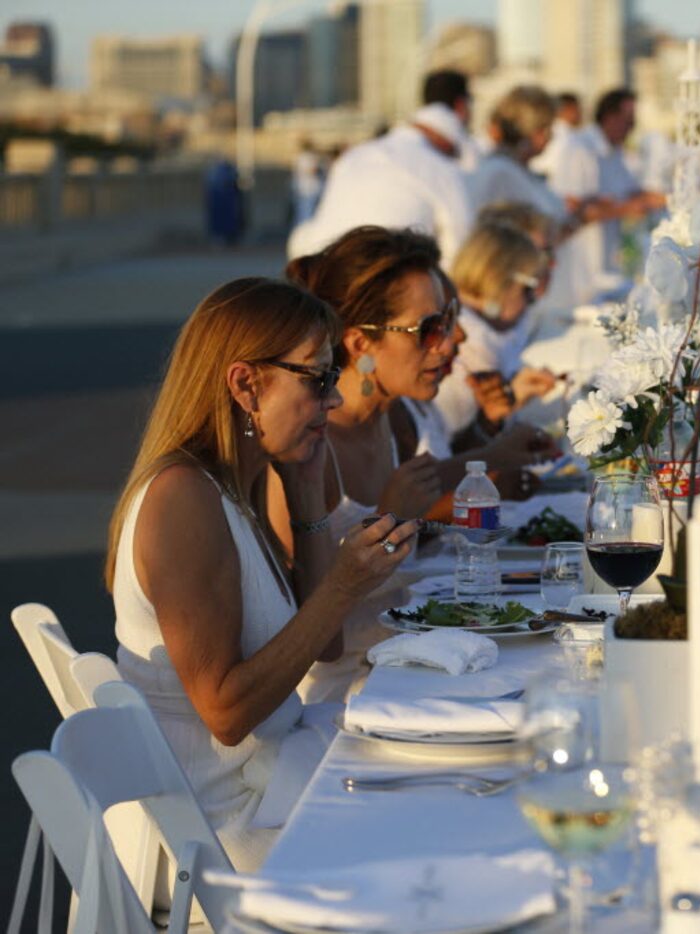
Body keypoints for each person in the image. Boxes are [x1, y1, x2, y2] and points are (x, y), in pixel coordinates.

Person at [108, 277, 419, 867]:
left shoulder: (232, 487)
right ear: (246, 385)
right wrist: (344, 585)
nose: (334, 399)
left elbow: (325, 647)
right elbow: (226, 713)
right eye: (319, 378)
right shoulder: (183, 500)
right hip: (222, 832)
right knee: (434, 833)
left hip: (263, 793)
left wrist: (306, 500)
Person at [279, 226, 544, 702]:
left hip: (420, 662)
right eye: (430, 330)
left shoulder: (394, 415)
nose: (450, 343)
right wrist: (392, 519)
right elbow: (312, 635)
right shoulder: (310, 449)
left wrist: (492, 450)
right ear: (360, 344)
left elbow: (425, 484)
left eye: (451, 318)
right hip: (347, 698)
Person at [287, 70, 475, 268]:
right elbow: (461, 256)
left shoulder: (355, 156)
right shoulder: (442, 169)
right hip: (389, 288)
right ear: (461, 108)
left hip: (326, 282)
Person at [434, 222, 560, 447]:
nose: (531, 302)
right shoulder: (473, 336)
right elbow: (464, 449)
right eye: (528, 290)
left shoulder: (480, 325)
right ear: (499, 279)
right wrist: (510, 397)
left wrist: (515, 394)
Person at [548, 88, 661, 307]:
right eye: (628, 121)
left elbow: (633, 193)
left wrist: (672, 198)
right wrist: (626, 209)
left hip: (605, 268)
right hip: (579, 272)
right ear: (610, 117)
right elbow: (573, 209)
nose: (631, 128)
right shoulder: (578, 148)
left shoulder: (614, 151)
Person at [465, 86, 570, 232]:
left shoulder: (518, 169)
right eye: (548, 128)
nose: (551, 136)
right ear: (535, 130)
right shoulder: (499, 171)